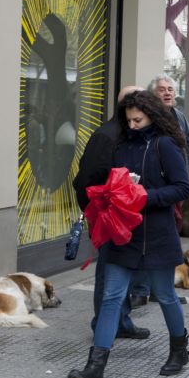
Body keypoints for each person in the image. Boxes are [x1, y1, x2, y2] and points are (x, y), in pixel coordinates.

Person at [68, 91, 189, 378]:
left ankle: (179, 349)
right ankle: (95, 368)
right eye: (129, 120)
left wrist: (146, 196)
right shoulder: (121, 145)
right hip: (123, 233)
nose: (133, 125)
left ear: (152, 115)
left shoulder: (165, 145)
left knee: (165, 295)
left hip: (158, 234)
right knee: (111, 297)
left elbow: (182, 188)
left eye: (138, 119)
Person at [71, 85, 150, 341]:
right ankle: (105, 324)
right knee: (108, 272)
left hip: (122, 215)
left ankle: (121, 321)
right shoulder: (108, 136)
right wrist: (97, 212)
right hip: (107, 215)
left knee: (120, 270)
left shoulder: (127, 134)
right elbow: (86, 180)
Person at [129, 73, 189, 308]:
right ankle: (141, 290)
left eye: (171, 89)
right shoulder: (146, 120)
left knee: (168, 240)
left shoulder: (180, 119)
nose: (168, 93)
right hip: (150, 189)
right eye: (162, 89)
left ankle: (161, 290)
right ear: (152, 96)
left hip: (174, 190)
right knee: (145, 238)